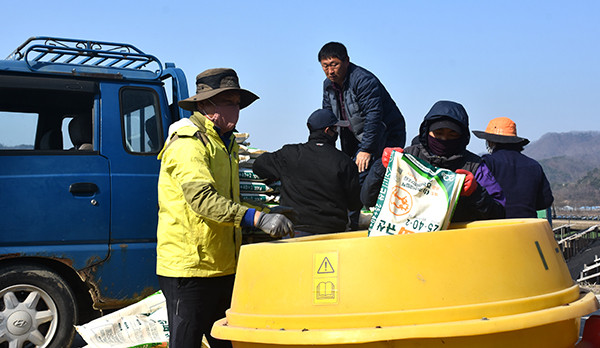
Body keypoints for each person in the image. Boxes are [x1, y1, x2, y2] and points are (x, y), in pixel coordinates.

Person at [156, 68, 294, 348]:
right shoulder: (189, 143)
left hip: (221, 265)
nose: (236, 110)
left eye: (238, 104)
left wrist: (267, 213)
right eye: (229, 103)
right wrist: (255, 218)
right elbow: (202, 199)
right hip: (190, 268)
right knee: (186, 342)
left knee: (225, 341)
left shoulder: (223, 143)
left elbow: (227, 199)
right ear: (206, 105)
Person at [362, 100, 506, 222]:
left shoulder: (474, 167)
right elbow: (368, 199)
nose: (444, 139)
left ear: (462, 137)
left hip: (458, 245)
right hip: (408, 243)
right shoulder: (408, 157)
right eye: (438, 133)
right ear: (427, 132)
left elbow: (499, 214)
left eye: (452, 134)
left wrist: (476, 192)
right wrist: (381, 167)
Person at [252, 109, 362, 236]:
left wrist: (277, 175)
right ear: (328, 131)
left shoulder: (290, 154)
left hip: (293, 231)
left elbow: (258, 166)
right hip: (332, 234)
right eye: (335, 129)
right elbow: (355, 203)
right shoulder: (344, 162)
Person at [319, 42, 406, 173]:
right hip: (353, 136)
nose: (330, 71)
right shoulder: (328, 85)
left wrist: (366, 149)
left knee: (367, 177)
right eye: (325, 66)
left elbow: (373, 116)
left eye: (334, 65)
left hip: (383, 135)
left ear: (346, 61)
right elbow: (328, 117)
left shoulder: (363, 80)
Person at [473, 117, 554, 218]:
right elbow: (545, 201)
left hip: (496, 228)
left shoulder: (487, 163)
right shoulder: (535, 166)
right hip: (528, 228)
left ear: (490, 142)